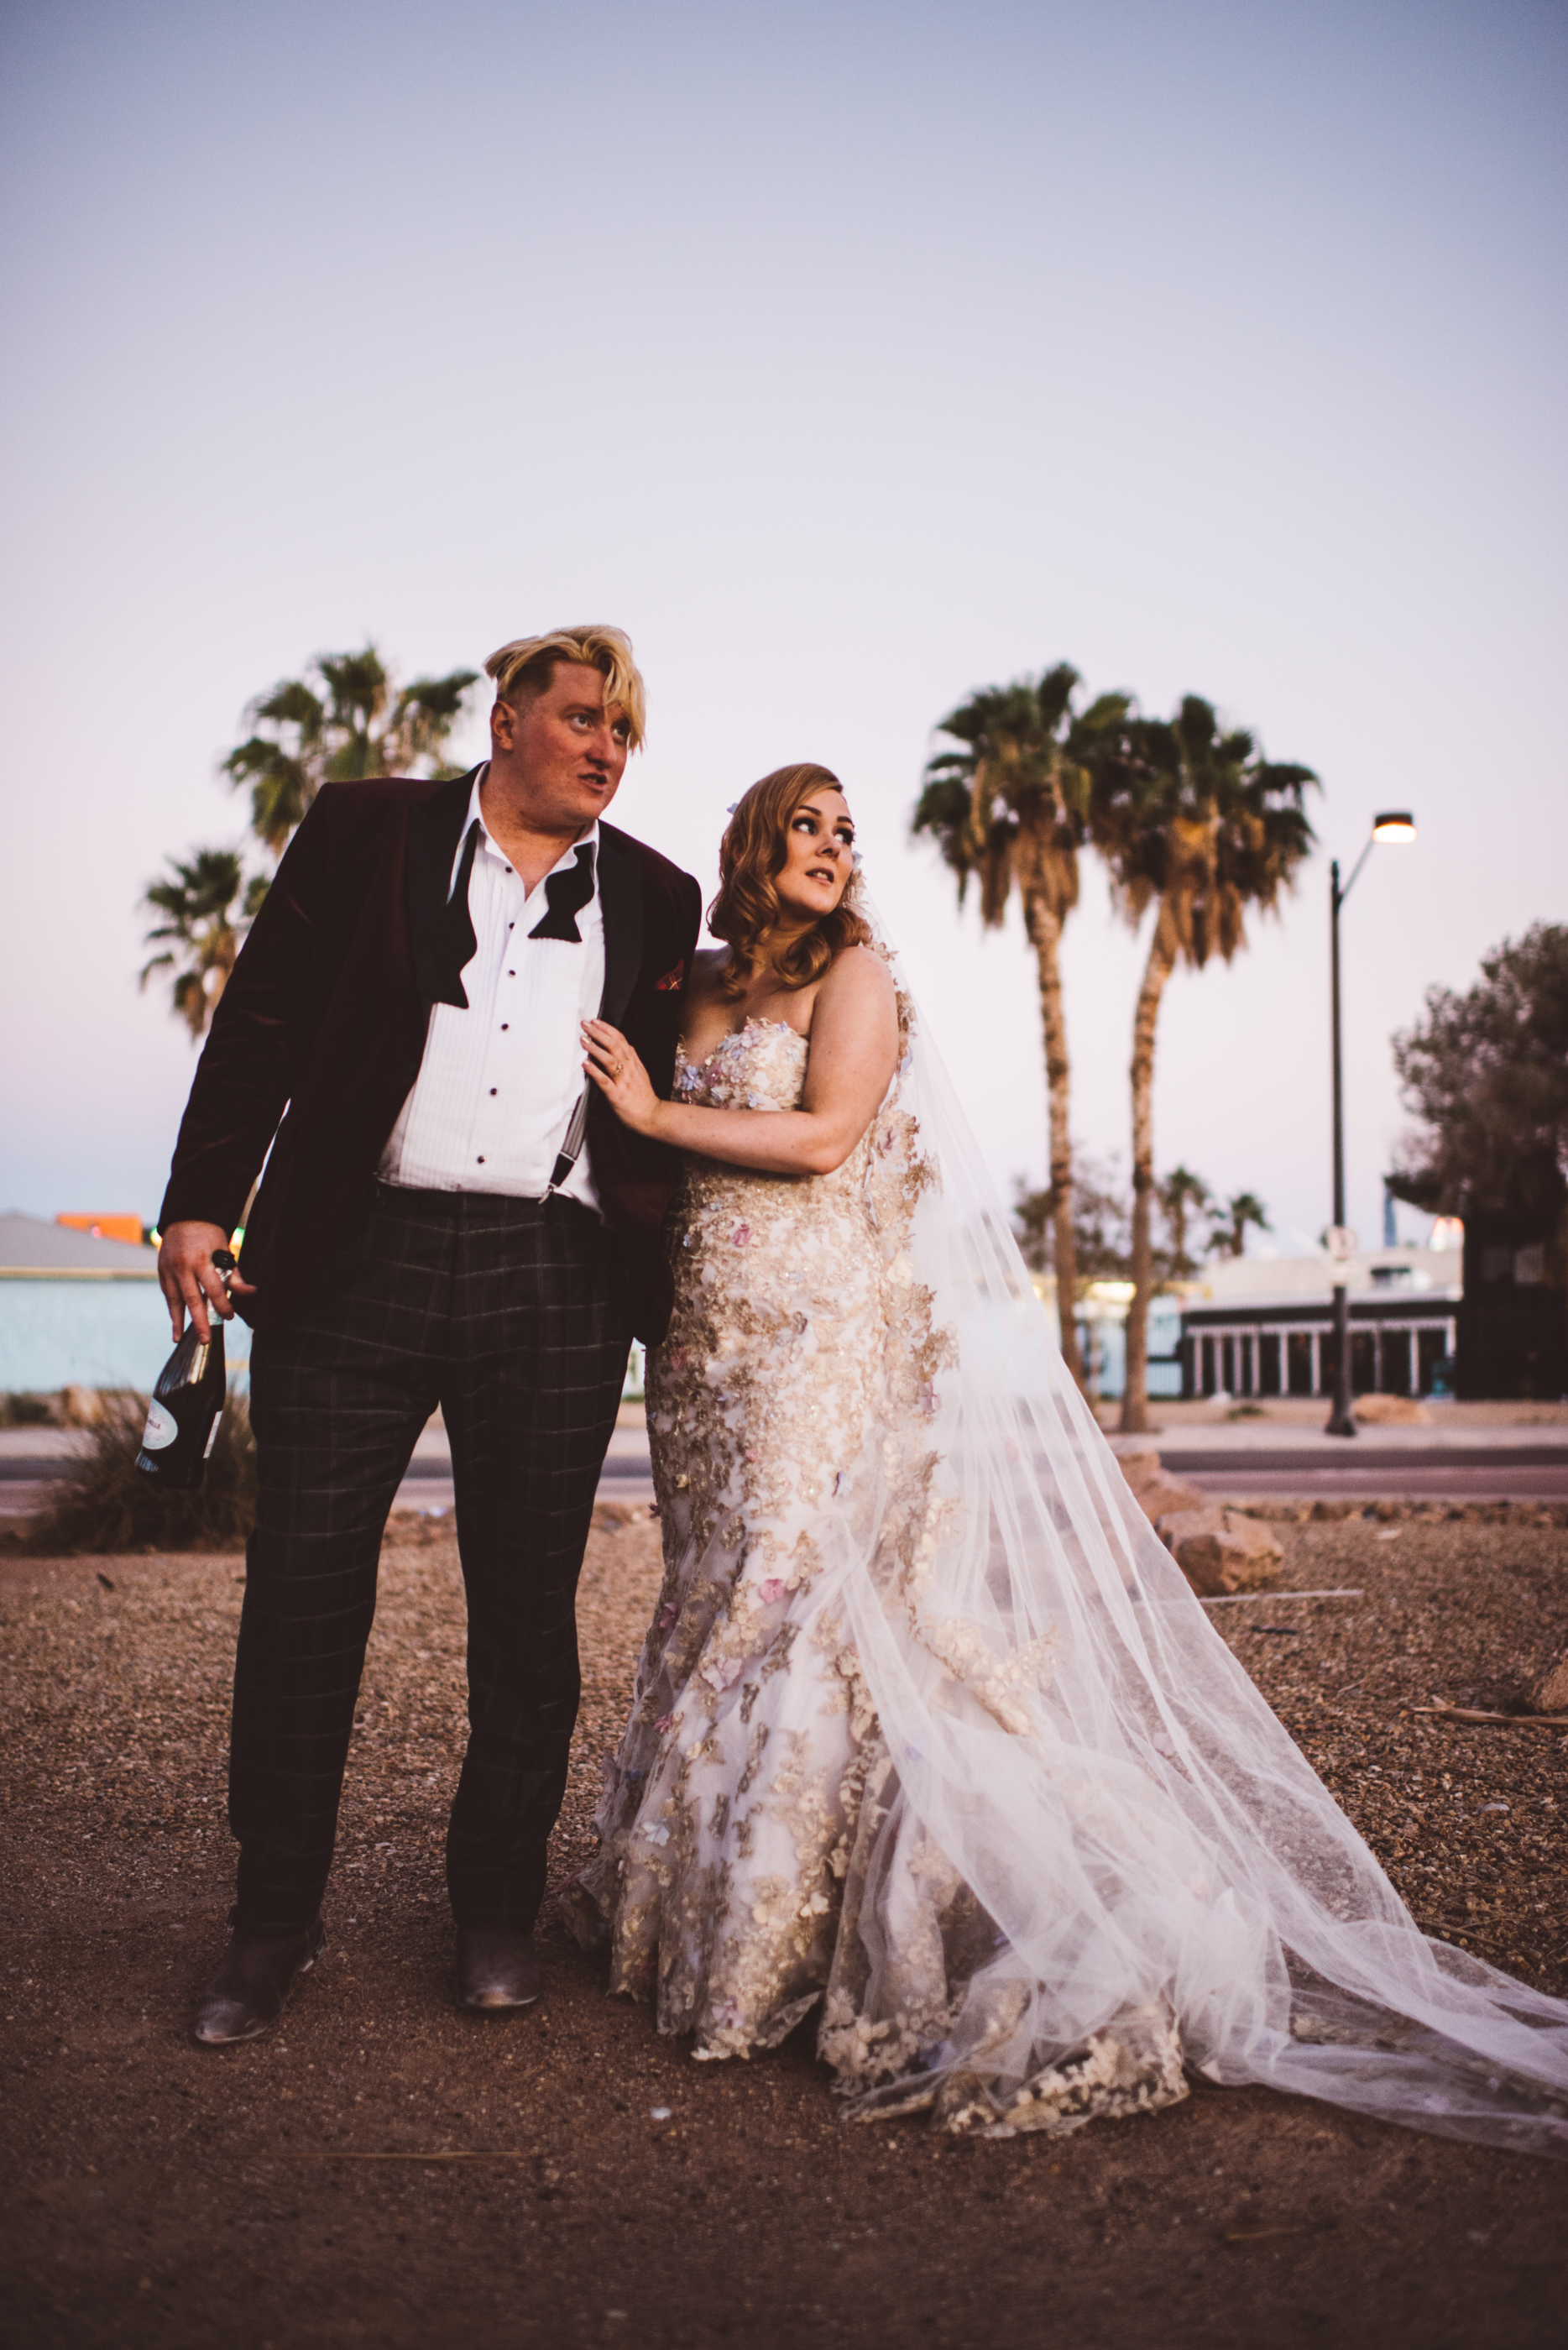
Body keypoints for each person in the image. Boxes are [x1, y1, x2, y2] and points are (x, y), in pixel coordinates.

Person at [567, 763, 1568, 2157]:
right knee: (715, 1583)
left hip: (820, 1334)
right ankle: (688, 1885)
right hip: (702, 1350)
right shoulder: (698, 980)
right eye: (810, 825)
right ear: (753, 841)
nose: (836, 849)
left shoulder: (856, 972)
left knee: (793, 1595)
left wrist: (659, 1116)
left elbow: (827, 1135)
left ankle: (796, 1927)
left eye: (849, 833)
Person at [156, 625, 702, 2044]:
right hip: (355, 1259)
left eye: (623, 733)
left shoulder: (655, 893)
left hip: (556, 1277)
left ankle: (496, 1917)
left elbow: (668, 1105)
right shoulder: (363, 831)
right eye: (583, 718)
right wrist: (202, 1203)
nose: (606, 749)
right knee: (302, 1597)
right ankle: (270, 1923)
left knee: (528, 1622)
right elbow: (261, 1020)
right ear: (509, 716)